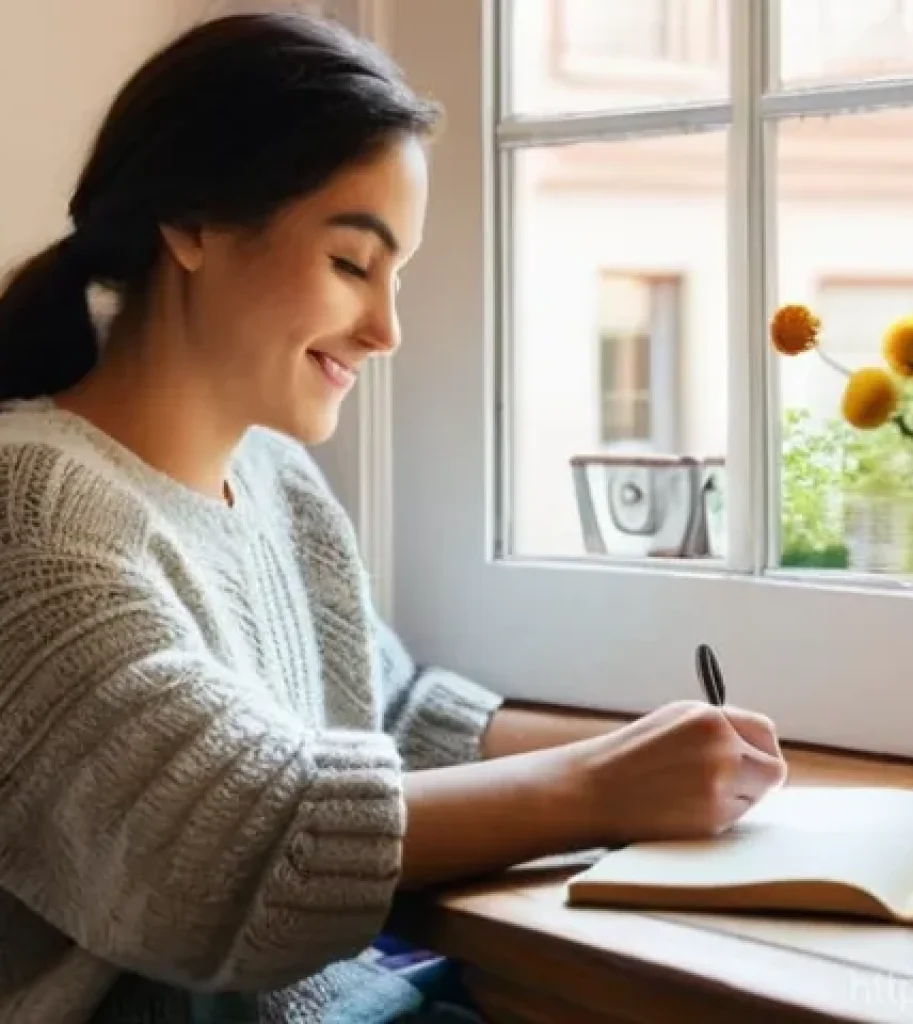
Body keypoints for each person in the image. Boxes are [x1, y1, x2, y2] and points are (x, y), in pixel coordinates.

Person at [0, 12, 787, 1024]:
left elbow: (395, 717)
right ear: (192, 223)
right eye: (350, 262)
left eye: (396, 273)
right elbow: (234, 844)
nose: (385, 329)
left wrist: (661, 746)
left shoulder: (277, 481)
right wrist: (601, 784)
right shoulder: (32, 511)